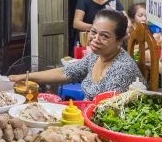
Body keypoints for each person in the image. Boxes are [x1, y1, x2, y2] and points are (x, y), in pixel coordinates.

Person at [10, 10, 144, 100]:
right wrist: (22, 78)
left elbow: (105, 111)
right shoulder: (96, 56)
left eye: (104, 36)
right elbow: (67, 72)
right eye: (93, 32)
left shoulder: (122, 69)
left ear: (119, 40)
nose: (95, 38)